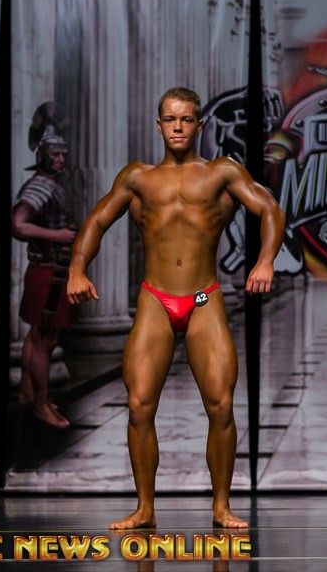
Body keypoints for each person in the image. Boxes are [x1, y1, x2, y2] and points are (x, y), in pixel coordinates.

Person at [67, 87, 285, 529]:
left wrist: (265, 260)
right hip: (156, 297)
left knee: (220, 405)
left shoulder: (222, 172)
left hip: (203, 297)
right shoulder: (138, 178)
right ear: (159, 125)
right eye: (170, 119)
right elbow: (97, 220)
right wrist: (76, 269)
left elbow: (270, 210)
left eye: (186, 119)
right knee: (139, 405)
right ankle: (145, 508)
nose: (178, 127)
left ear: (199, 124)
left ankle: (221, 506)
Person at [12, 104, 76, 430]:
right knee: (45, 340)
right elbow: (18, 224)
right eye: (55, 155)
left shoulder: (49, 183)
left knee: (36, 335)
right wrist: (58, 235)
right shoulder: (41, 186)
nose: (60, 159)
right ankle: (41, 404)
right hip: (48, 273)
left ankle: (28, 392)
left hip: (49, 271)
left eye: (63, 154)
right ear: (42, 156)